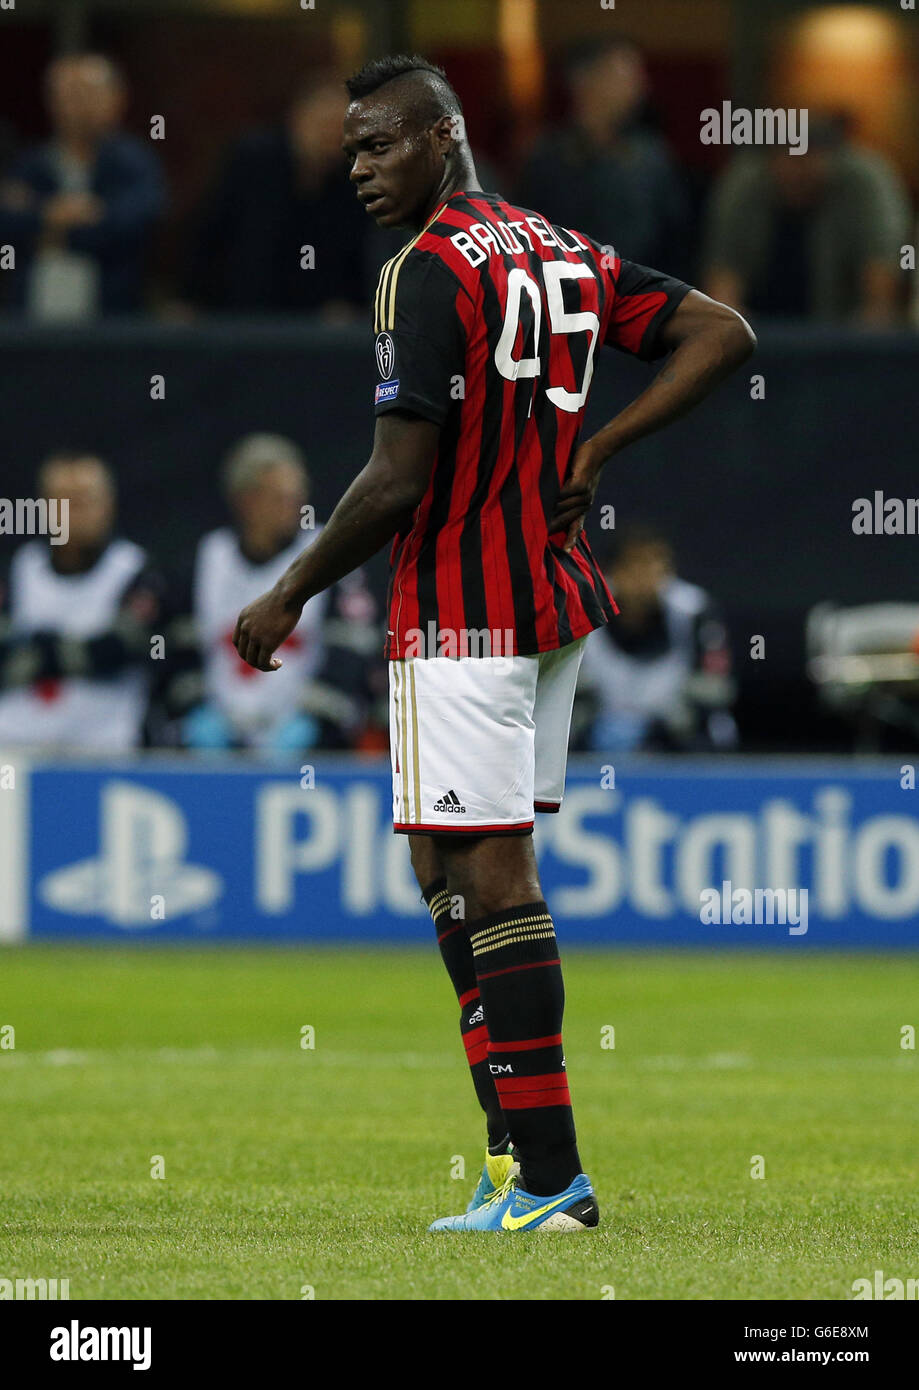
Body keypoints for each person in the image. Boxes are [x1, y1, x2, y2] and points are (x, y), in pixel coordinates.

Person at [232, 54, 755, 1232]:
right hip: (550, 595)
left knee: (489, 871)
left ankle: (552, 1180)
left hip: (465, 602)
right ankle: (514, 1155)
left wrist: (290, 589)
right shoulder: (562, 248)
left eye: (378, 145)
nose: (357, 168)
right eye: (351, 150)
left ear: (443, 136)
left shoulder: (421, 274)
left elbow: (393, 479)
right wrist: (600, 450)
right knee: (443, 865)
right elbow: (722, 334)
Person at [177, 434, 377, 754]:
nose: (294, 507)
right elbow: (180, 650)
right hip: (215, 740)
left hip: (307, 743)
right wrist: (196, 711)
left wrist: (313, 722)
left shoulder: (330, 558)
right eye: (279, 497)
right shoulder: (206, 561)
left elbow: (352, 650)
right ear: (245, 500)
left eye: (297, 496)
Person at [0, 454, 165, 750]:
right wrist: (81, 652)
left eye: (85, 501)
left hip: (105, 746)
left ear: (109, 506)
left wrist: (37, 654)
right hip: (15, 744)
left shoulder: (135, 570)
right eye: (64, 502)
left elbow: (120, 647)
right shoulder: (19, 569)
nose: (75, 514)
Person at [180, 76, 373, 319]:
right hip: (238, 312)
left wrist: (346, 303)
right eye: (323, 125)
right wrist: (187, 298)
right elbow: (209, 232)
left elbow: (353, 261)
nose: (330, 137)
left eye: (340, 131)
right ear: (297, 120)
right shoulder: (253, 162)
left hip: (310, 323)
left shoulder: (354, 185)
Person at [0, 54, 165, 318]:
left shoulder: (134, 164)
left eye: (87, 94)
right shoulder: (30, 165)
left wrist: (47, 225)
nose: (76, 106)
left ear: (117, 98)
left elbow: (131, 229)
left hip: (110, 324)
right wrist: (58, 216)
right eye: (66, 95)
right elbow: (7, 227)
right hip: (31, 323)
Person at [701, 117, 911, 325]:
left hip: (842, 332)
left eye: (809, 158)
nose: (797, 171)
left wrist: (862, 343)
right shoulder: (744, 185)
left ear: (833, 158)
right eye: (788, 157)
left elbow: (881, 289)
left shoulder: (865, 183)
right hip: (759, 333)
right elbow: (723, 276)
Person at [516, 38, 688, 271]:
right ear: (587, 81)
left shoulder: (651, 159)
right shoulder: (546, 160)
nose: (642, 87)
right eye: (627, 77)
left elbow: (676, 244)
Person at [578, 526, 738, 752]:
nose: (645, 578)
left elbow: (719, 686)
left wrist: (667, 719)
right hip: (599, 724)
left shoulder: (696, 610)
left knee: (714, 728)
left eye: (655, 565)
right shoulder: (584, 608)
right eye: (634, 566)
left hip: (675, 725)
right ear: (612, 573)